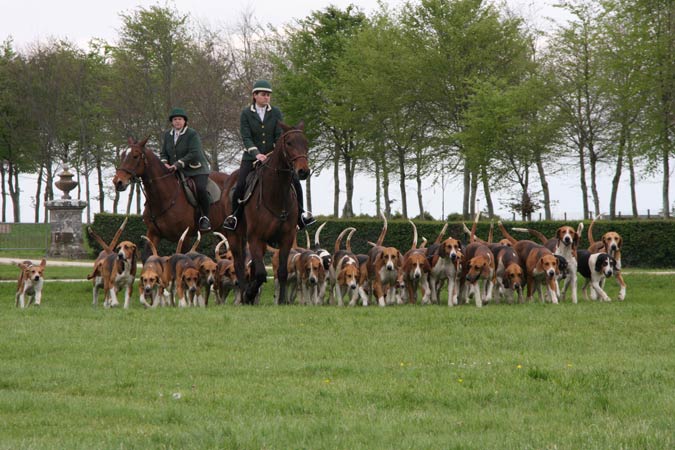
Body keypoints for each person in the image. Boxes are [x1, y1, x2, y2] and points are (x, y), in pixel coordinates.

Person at [223, 79, 315, 231]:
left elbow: (279, 135)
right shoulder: (246, 113)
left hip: (272, 156)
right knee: (240, 185)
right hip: (251, 157)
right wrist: (257, 154)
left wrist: (273, 153)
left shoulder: (276, 112)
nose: (266, 97)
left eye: (268, 95)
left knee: (295, 182)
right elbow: (246, 137)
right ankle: (234, 216)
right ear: (255, 95)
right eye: (263, 94)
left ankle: (301, 216)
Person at [160, 107, 212, 232]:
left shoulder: (192, 134)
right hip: (175, 169)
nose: (177, 121)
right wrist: (164, 163)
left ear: (184, 121)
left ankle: (205, 217)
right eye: (175, 119)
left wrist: (177, 164)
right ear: (172, 122)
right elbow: (163, 153)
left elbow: (194, 152)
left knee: (200, 188)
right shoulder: (167, 135)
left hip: (196, 169)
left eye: (180, 119)